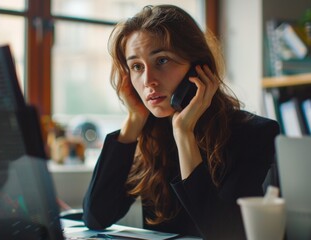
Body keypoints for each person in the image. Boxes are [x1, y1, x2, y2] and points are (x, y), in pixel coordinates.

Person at [82, 4, 280, 240]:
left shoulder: (253, 134)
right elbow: (96, 217)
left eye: (162, 61)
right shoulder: (150, 135)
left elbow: (225, 233)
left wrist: (184, 134)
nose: (148, 81)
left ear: (199, 67)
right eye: (136, 66)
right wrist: (134, 120)